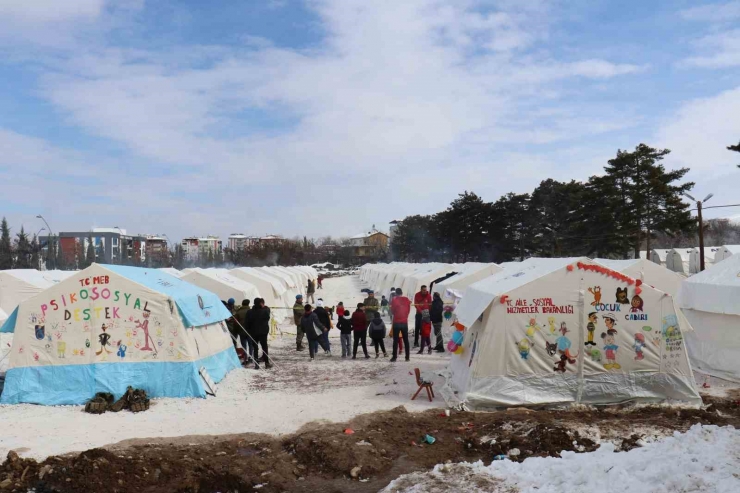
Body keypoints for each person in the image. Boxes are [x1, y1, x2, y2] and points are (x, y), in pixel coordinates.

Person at [247, 298, 272, 369]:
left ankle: (256, 364)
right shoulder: (265, 311)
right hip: (263, 332)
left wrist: (249, 331)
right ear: (261, 303)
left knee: (255, 348)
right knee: (264, 347)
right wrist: (264, 306)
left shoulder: (249, 312)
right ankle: (266, 363)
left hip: (253, 332)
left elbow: (247, 323)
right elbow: (267, 317)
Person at [390, 287, 412, 362]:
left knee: (395, 340)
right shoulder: (406, 299)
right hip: (404, 322)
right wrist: (405, 316)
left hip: (396, 322)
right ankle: (407, 357)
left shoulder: (394, 299)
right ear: (402, 293)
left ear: (396, 293)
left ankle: (394, 357)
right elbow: (408, 309)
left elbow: (392, 310)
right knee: (406, 340)